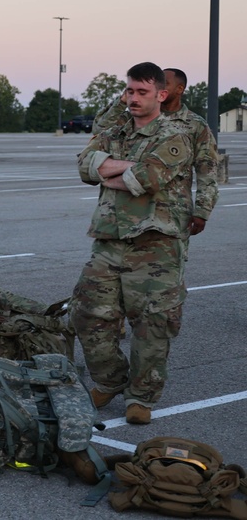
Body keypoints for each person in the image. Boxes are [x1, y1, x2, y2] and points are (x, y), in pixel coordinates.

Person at [71, 62, 194, 425]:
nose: (133, 98)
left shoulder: (176, 133)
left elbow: (147, 178)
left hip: (156, 244)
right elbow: (83, 166)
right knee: (86, 313)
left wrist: (107, 169)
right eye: (129, 91)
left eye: (142, 92)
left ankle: (141, 396)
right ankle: (110, 379)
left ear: (161, 94)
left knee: (153, 323)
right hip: (109, 239)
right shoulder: (115, 128)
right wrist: (119, 168)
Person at [92, 67, 218, 236]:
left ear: (180, 89)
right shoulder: (136, 116)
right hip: (125, 211)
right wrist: (124, 99)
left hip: (168, 213)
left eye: (164, 83)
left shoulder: (195, 125)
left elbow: (207, 170)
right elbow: (100, 129)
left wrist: (202, 211)